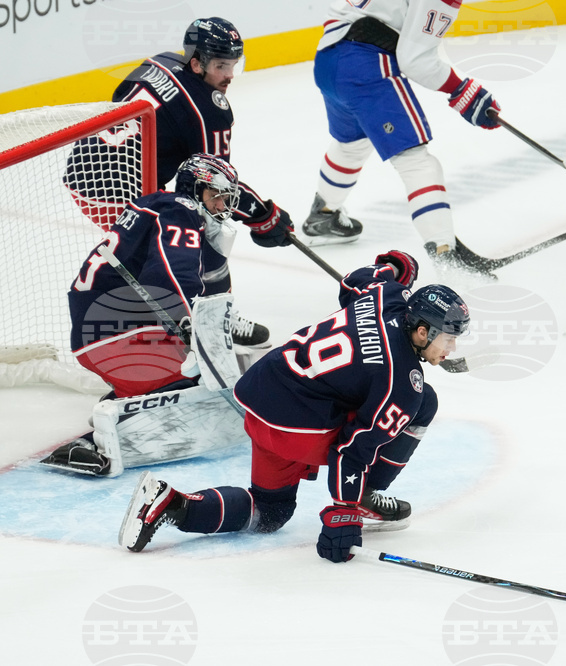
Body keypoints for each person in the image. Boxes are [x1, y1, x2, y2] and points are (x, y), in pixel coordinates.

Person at [118, 254, 472, 560]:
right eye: (448, 338)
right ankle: (364, 497)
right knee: (425, 401)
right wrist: (344, 512)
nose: (451, 348)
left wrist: (395, 266)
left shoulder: (387, 293)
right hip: (297, 429)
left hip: (260, 395)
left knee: (272, 512)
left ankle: (171, 503)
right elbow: (351, 452)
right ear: (422, 332)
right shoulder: (402, 383)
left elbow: (355, 282)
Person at [64, 17, 295, 347]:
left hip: (82, 168)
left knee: (168, 238)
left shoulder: (158, 62)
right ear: (198, 62)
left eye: (234, 65)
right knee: (200, 231)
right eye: (221, 66)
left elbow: (116, 100)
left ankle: (173, 318)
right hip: (117, 192)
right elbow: (217, 188)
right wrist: (263, 216)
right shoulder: (210, 110)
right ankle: (212, 323)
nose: (229, 75)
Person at [42, 154, 248, 476]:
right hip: (112, 326)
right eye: (215, 195)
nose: (221, 206)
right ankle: (96, 438)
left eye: (226, 199)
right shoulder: (182, 210)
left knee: (191, 377)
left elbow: (204, 282)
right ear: (194, 188)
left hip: (107, 323)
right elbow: (169, 273)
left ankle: (126, 399)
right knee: (194, 385)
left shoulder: (168, 207)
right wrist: (191, 319)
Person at [301, 0, 501, 276]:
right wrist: (461, 90)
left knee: (352, 144)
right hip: (366, 65)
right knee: (416, 162)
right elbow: (416, 61)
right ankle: (446, 255)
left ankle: (322, 215)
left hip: (328, 60)